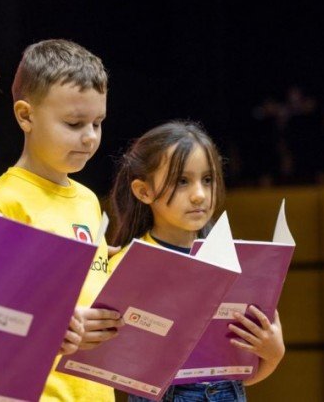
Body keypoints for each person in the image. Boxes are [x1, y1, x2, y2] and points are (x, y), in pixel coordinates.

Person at [0, 39, 124, 402]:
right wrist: (54, 325)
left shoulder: (88, 201)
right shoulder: (2, 202)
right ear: (25, 116)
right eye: (74, 123)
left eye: (98, 123)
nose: (89, 137)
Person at [109, 120, 286, 402]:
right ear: (143, 191)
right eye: (182, 181)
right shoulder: (125, 264)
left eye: (207, 180)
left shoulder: (235, 261)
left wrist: (274, 355)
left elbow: (238, 376)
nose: (199, 195)